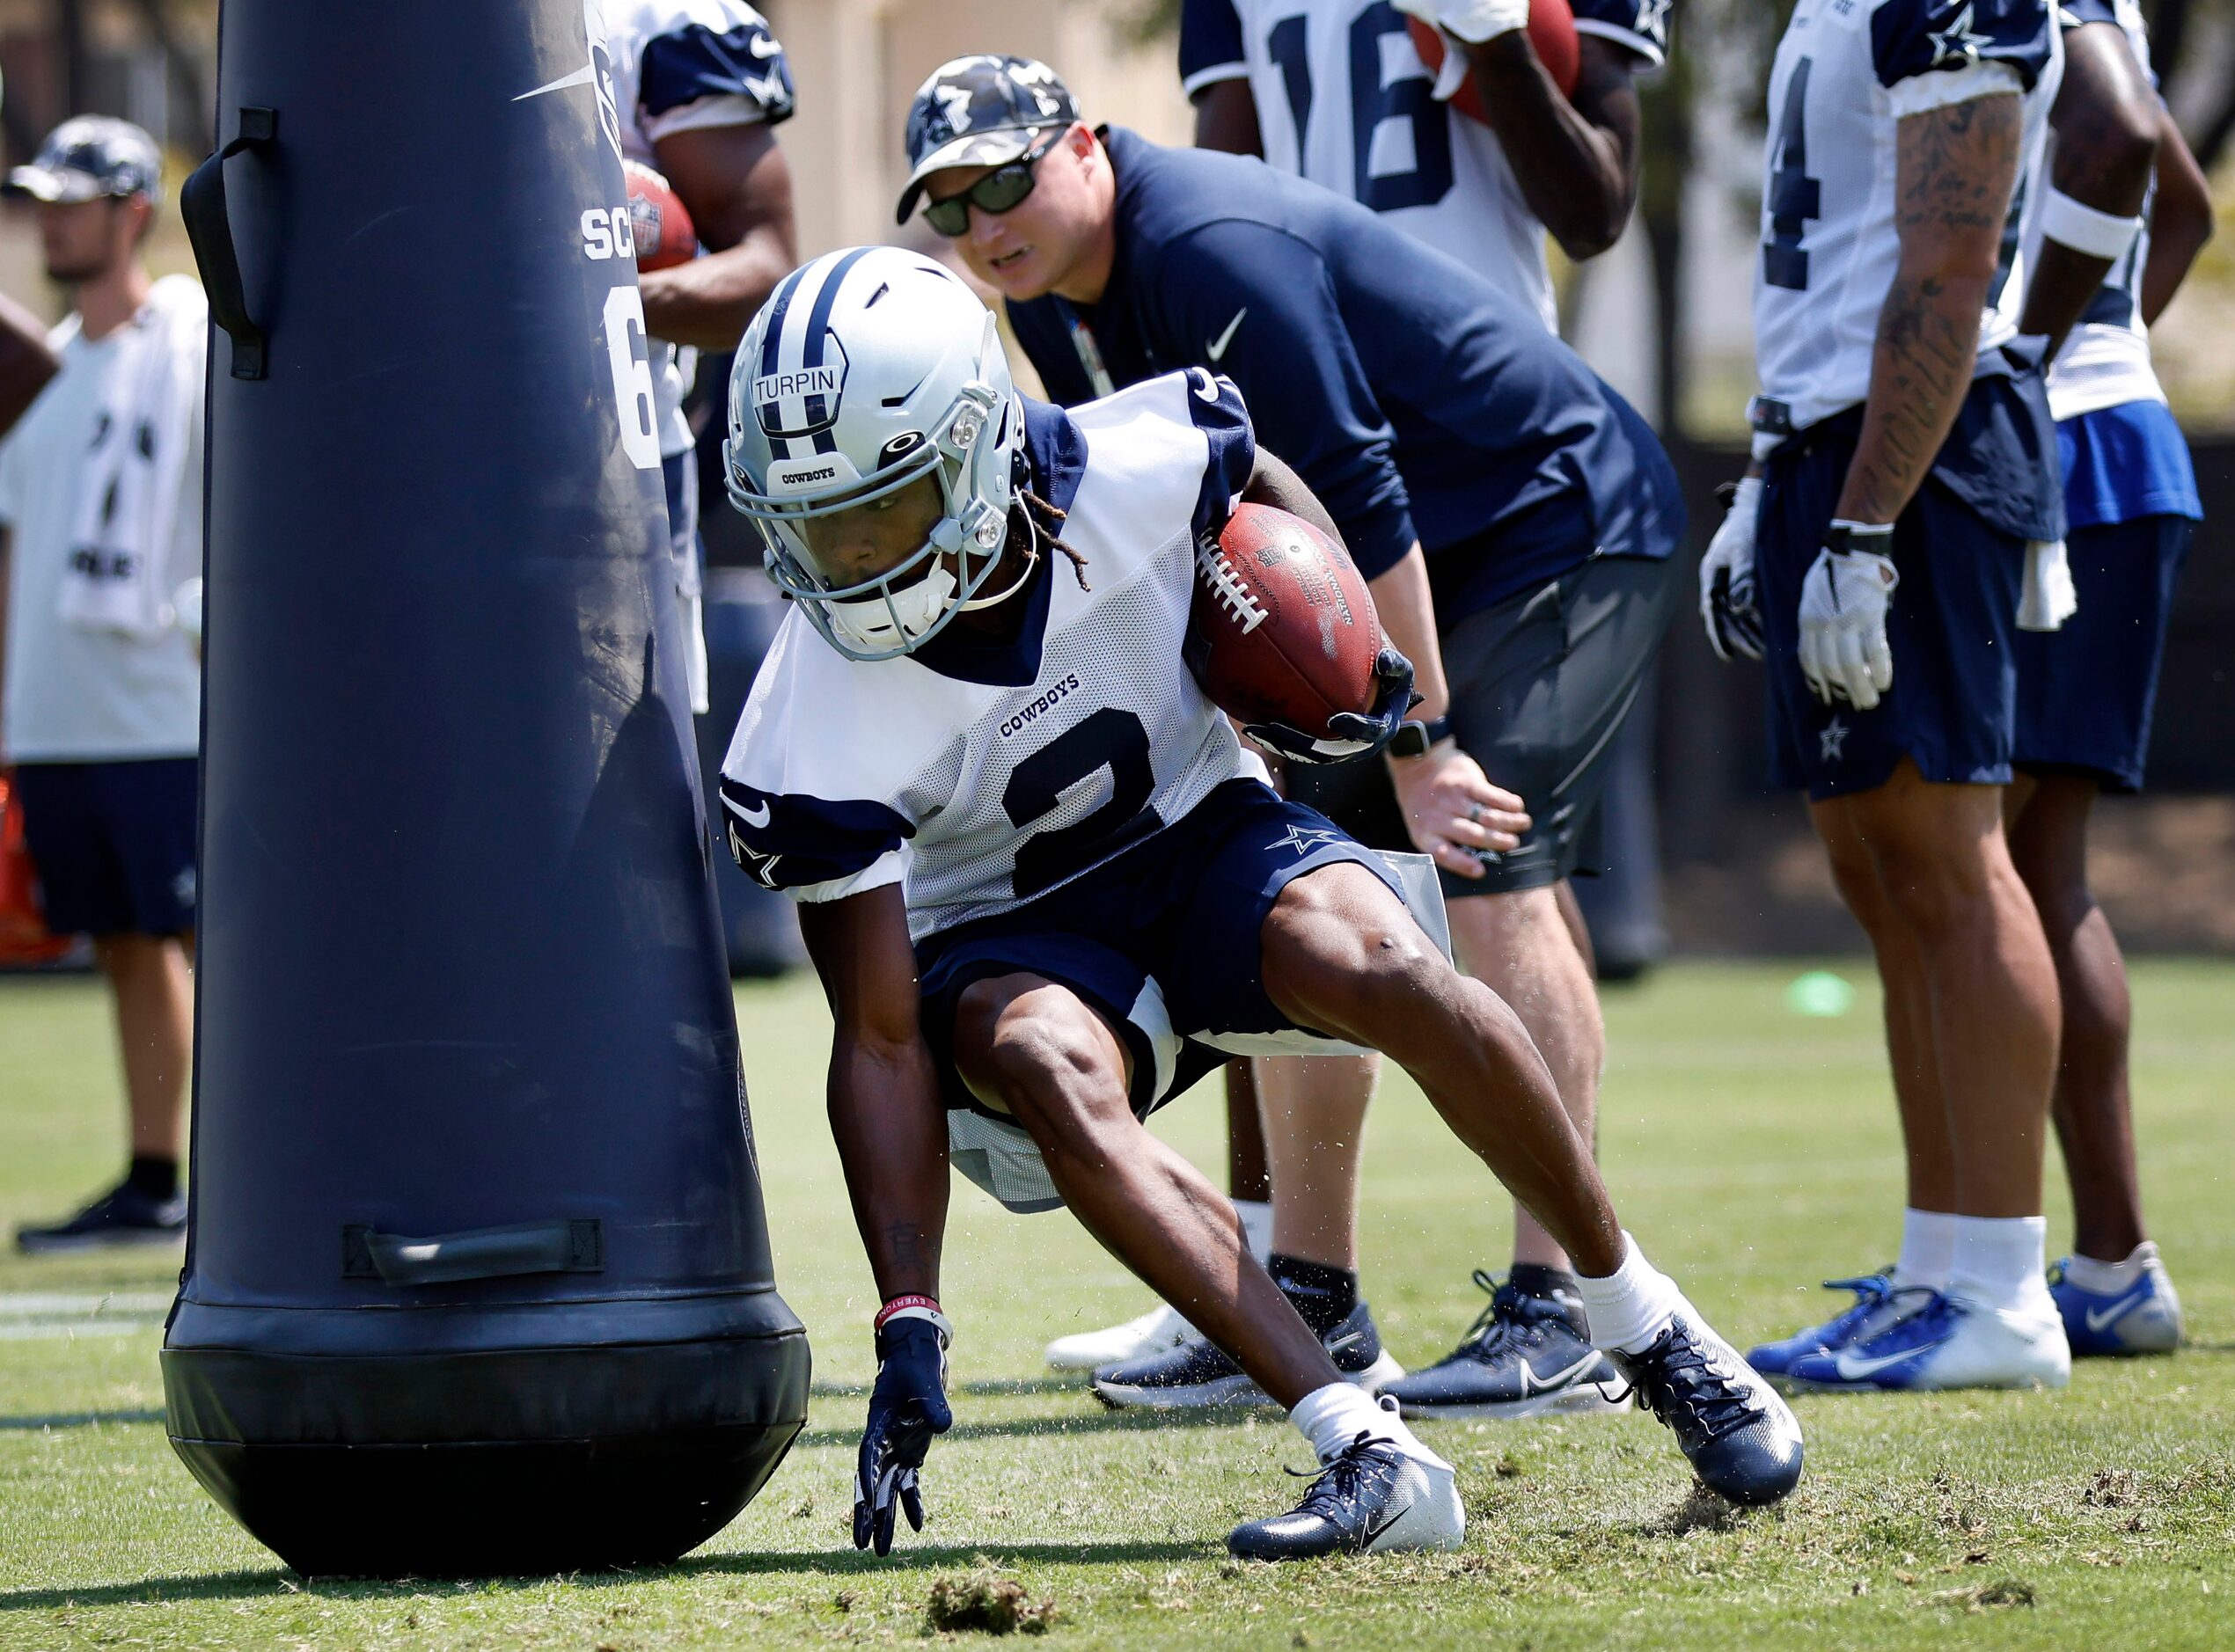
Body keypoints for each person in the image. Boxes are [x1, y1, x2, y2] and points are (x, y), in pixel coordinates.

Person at [716, 243, 1801, 1560]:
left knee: (1390, 964)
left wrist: (1330, 613)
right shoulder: (801, 727)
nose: (844, 563)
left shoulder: (1142, 454)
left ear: (982, 441)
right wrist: (908, 1311)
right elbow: (881, 1034)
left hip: (1198, 830)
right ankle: (1366, 1444)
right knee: (1045, 1060)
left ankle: (1643, 1319)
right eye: (814, 525)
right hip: (1008, 940)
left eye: (880, 514)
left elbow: (1262, 476)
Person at [900, 54, 1688, 1420]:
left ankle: (1557, 1308)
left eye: (1007, 182)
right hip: (1395, 564)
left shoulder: (1204, 246)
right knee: (1313, 878)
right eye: (950, 207)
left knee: (1493, 864)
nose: (982, 227)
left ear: (1085, 145)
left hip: (1552, 517)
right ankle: (1310, 1289)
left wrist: (1421, 742)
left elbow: (1357, 494)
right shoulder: (1051, 285)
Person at [1696, 0, 2070, 1390]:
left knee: (1949, 858)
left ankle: (2003, 1284)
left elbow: (1951, 262)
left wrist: (1861, 524)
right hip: (1826, 444)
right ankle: (1937, 1267)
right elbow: (1831, 264)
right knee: (1883, 870)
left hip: (1914, 447)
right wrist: (1771, 486)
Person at [2004, 0, 2208, 1356]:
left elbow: (2144, 161)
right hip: (2112, 430)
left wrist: (2034, 359)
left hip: (2057, 446)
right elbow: (2181, 207)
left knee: (2009, 862)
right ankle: (2087, 1252)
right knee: (2029, 860)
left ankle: (2071, 1256)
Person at [1, 119, 207, 1252]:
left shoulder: (186, 343)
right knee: (125, 948)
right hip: (59, 712)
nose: (50, 219)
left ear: (132, 208)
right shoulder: (37, 374)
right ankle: (152, 1176)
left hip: (160, 706)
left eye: (72, 198)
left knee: (192, 940)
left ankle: (250, 1179)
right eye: (40, 199)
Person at [600, 0, 799, 714]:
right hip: (391, 433)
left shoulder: (657, 23)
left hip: (615, 461)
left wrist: (570, 296)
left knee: (621, 758)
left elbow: (764, 267)